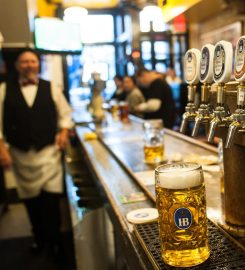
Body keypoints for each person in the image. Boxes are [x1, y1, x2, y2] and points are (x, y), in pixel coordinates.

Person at [0, 48, 73, 257]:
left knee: (51, 200)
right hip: (20, 155)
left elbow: (65, 115)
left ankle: (56, 241)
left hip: (48, 153)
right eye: (24, 62)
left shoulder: (51, 88)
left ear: (38, 64)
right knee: (31, 201)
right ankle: (39, 238)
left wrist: (64, 132)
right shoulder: (4, 89)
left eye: (32, 61)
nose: (29, 65)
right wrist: (2, 150)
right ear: (17, 66)